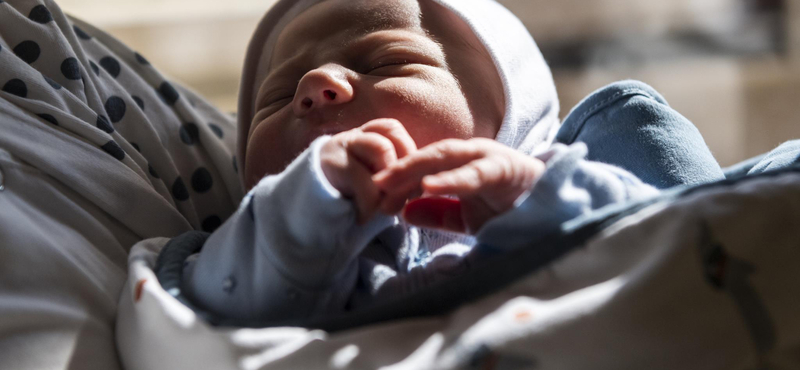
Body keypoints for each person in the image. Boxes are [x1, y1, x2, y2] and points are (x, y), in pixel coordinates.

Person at [149, 0, 725, 324]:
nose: (316, 84)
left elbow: (686, 258)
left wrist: (537, 197)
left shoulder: (579, 183)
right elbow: (208, 313)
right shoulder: (254, 254)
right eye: (276, 97)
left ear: (513, 119)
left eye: (386, 60)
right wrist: (298, 210)